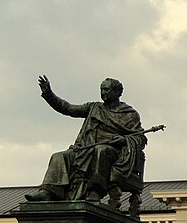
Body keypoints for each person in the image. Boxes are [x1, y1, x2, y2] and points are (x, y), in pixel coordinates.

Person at [25, 75, 147, 205]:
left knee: (100, 150)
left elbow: (140, 138)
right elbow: (68, 108)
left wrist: (123, 140)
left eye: (107, 90)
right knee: (59, 156)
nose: (103, 93)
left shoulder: (129, 114)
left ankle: (95, 190)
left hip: (113, 153)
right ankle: (49, 191)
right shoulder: (94, 108)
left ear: (118, 92)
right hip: (85, 148)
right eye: (102, 89)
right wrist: (49, 94)